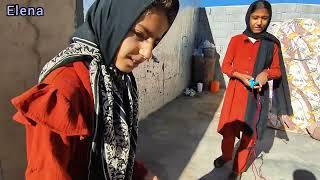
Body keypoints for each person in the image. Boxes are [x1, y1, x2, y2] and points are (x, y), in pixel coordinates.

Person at [10, 0, 179, 179]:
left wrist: (141, 174)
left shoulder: (116, 78)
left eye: (155, 41)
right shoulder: (64, 90)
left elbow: (111, 151)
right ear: (111, 21)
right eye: (139, 34)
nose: (147, 53)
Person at [214, 1, 293, 180]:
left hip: (257, 98)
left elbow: (277, 70)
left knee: (249, 136)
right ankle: (226, 156)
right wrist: (240, 75)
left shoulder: (271, 44)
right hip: (235, 95)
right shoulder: (236, 40)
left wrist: (266, 73)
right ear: (248, 17)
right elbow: (226, 66)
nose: (259, 22)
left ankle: (237, 168)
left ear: (269, 19)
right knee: (228, 132)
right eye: (255, 17)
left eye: (264, 18)